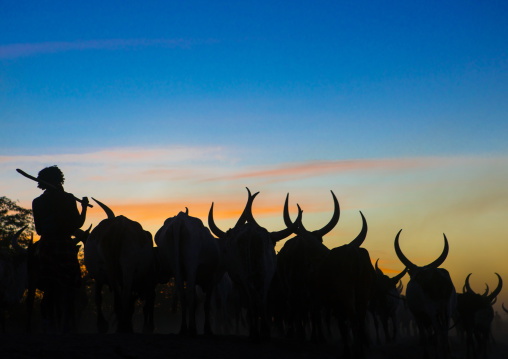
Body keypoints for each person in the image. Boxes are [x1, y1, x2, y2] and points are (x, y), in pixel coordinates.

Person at [31, 165, 89, 332]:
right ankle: (67, 324)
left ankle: (48, 322)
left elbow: (39, 230)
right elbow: (77, 225)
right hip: (65, 246)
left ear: (42, 183)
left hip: (47, 246)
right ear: (59, 180)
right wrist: (84, 207)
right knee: (70, 287)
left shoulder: (38, 202)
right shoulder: (68, 198)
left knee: (50, 287)